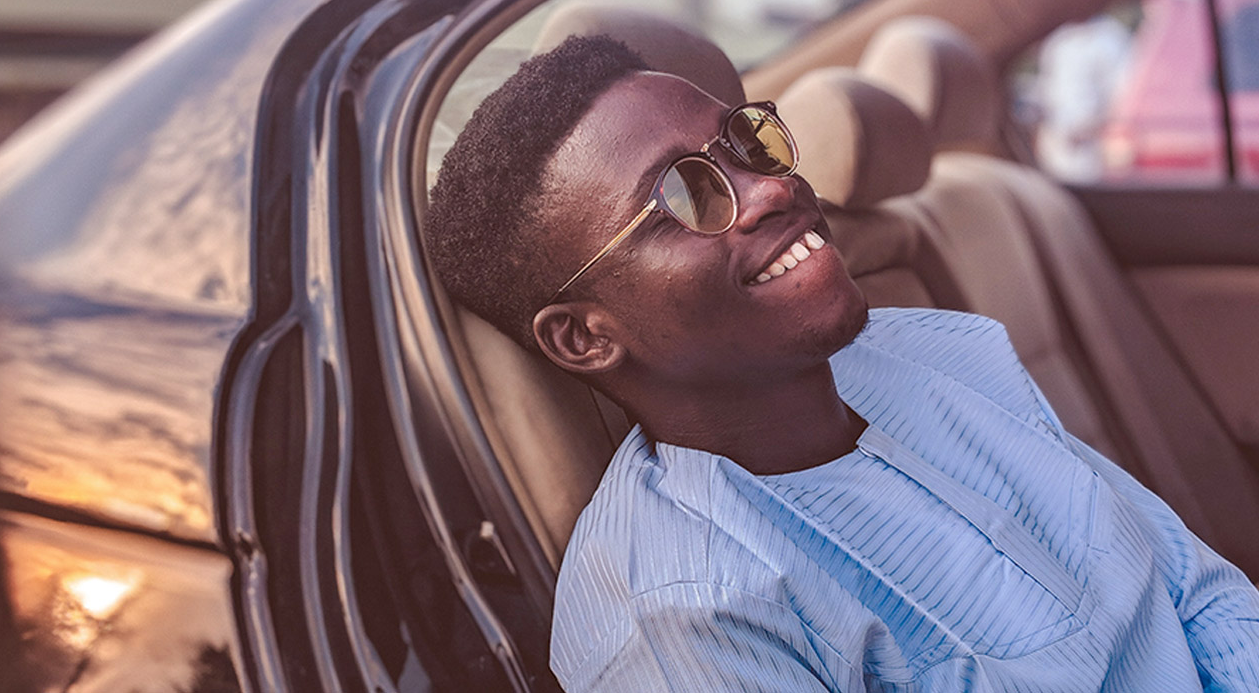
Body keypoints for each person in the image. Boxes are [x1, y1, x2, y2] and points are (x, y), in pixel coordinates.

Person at [424, 35, 1259, 692]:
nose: (770, 188)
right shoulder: (684, 620)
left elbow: (1190, 587)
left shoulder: (936, 351)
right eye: (681, 195)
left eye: (743, 143)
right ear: (585, 337)